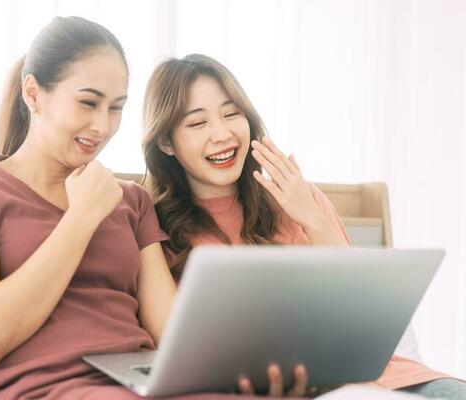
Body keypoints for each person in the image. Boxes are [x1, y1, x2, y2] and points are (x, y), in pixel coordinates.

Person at [0, 17, 308, 399]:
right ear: (33, 93)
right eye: (88, 103)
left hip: (147, 384)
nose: (102, 126)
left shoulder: (130, 200)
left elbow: (173, 334)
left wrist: (250, 377)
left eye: (116, 108)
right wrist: (80, 219)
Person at [141, 53, 466, 399]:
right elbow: (180, 350)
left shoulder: (297, 196)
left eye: (231, 113)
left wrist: (311, 217)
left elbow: (361, 308)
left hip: (385, 376)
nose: (222, 134)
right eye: (197, 123)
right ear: (165, 142)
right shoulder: (154, 229)